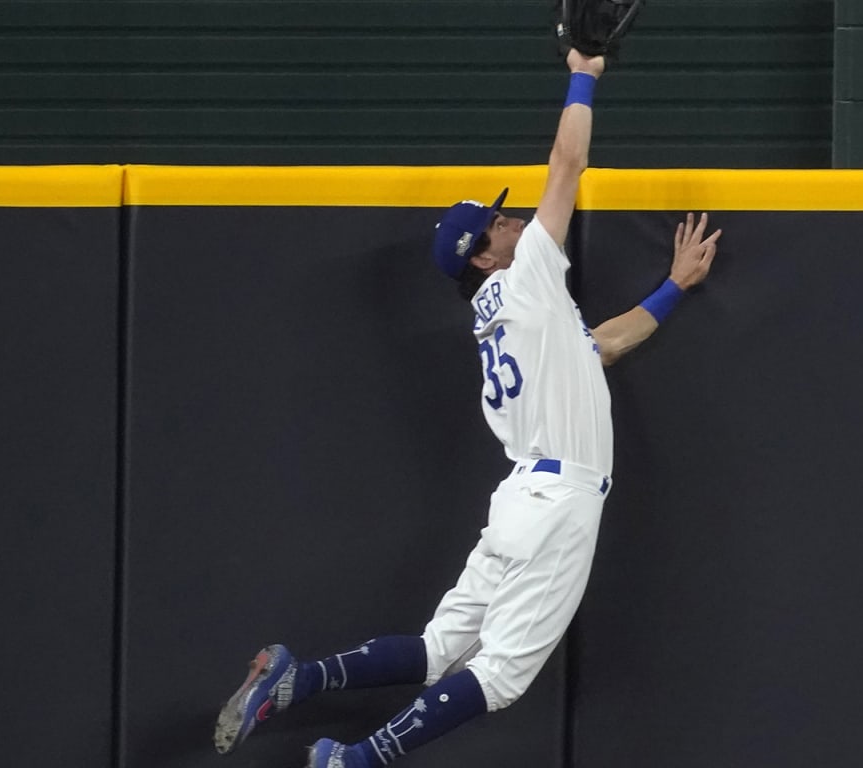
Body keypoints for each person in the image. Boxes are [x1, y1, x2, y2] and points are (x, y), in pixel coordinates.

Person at [213, 47, 721, 768]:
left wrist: (672, 288)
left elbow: (596, 348)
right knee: (501, 677)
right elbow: (567, 165)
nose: (512, 224)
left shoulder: (503, 312)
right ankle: (356, 761)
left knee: (436, 651)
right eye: (498, 224)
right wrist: (586, 74)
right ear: (483, 255)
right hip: (558, 501)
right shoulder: (529, 279)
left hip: (521, 498)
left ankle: (302, 678)